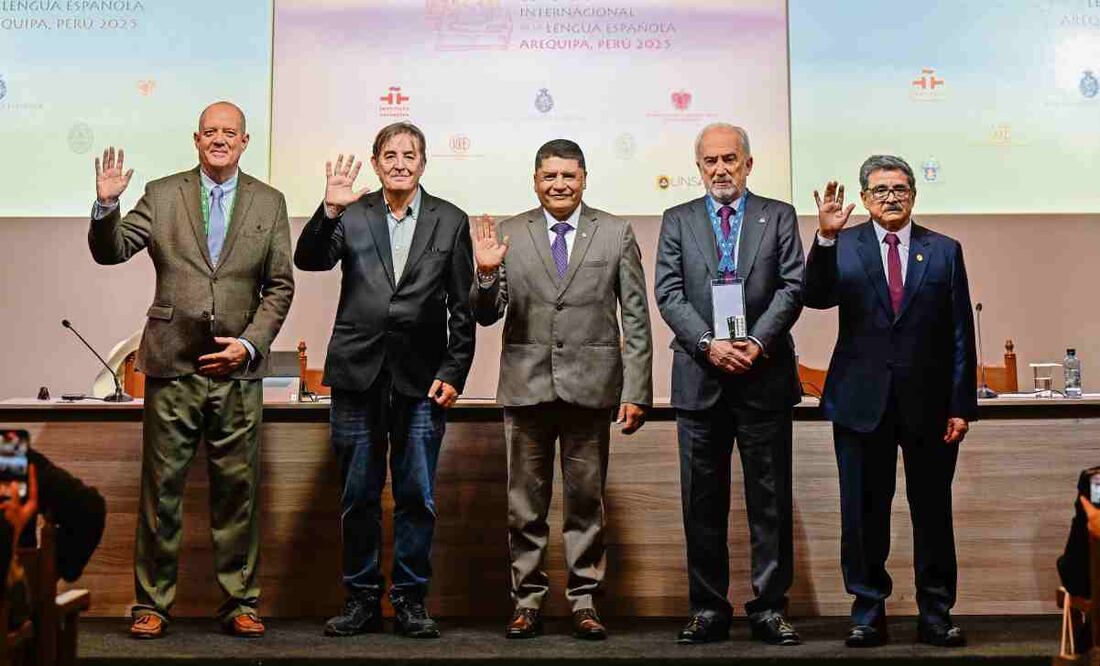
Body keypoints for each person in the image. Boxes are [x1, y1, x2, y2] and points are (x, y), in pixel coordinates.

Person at [88, 102, 294, 638]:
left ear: (245, 142)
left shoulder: (270, 203)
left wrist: (249, 345)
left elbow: (279, 286)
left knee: (238, 493)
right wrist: (105, 206)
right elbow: (111, 252)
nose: (220, 139)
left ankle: (240, 603)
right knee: (161, 493)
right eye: (211, 132)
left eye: (230, 132)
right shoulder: (161, 193)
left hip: (237, 373)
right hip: (172, 365)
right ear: (196, 140)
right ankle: (151, 604)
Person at [294, 122, 475, 639]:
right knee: (358, 496)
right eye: (390, 155)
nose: (399, 163)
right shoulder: (352, 212)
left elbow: (462, 309)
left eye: (409, 155)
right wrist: (328, 209)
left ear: (423, 163)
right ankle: (361, 600)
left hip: (423, 381)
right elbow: (309, 260)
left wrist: (454, 371)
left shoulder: (450, 220)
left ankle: (411, 600)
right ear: (376, 164)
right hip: (357, 374)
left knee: (418, 495)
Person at [470, 139, 652, 640]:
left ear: (585, 178)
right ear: (535, 180)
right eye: (549, 176)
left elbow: (636, 317)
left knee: (585, 503)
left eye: (569, 176)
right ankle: (526, 601)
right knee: (523, 506)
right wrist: (485, 274)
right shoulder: (509, 233)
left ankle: (585, 601)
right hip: (526, 387)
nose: (559, 185)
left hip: (591, 389)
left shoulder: (615, 232)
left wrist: (637, 389)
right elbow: (487, 312)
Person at [805, 155, 977, 648]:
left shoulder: (943, 250)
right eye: (880, 191)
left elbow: (960, 332)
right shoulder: (845, 244)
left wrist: (961, 405)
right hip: (861, 402)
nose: (891, 197)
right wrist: (824, 238)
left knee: (933, 513)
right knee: (862, 514)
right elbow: (814, 297)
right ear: (864, 198)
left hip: (930, 406)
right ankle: (867, 612)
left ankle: (936, 612)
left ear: (914, 195)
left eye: (900, 189)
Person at [654, 123, 804, 646]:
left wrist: (757, 343)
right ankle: (708, 608)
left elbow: (792, 286)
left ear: (748, 163)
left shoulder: (779, 216)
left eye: (730, 160)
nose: (720, 169)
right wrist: (707, 344)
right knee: (701, 502)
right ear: (698, 167)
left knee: (770, 501)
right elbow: (668, 292)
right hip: (700, 377)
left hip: (763, 377)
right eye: (710, 161)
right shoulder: (678, 219)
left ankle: (768, 607)